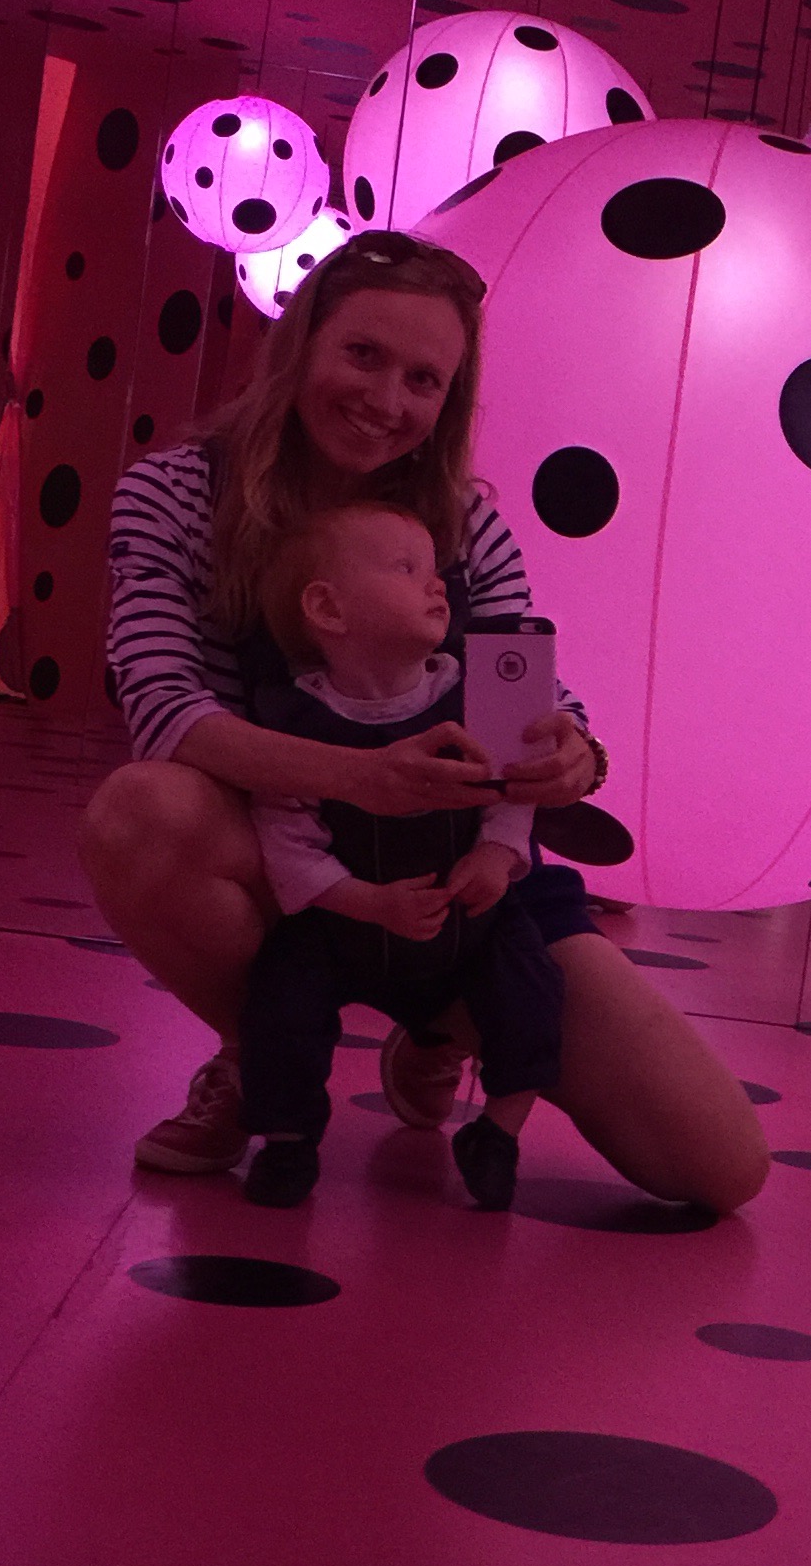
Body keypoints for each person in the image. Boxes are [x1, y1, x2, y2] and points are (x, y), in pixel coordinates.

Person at [80, 230, 768, 1211]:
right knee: (139, 813)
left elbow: (525, 696)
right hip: (287, 870)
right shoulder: (176, 494)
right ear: (302, 346)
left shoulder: (466, 525)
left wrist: (573, 752)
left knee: (718, 1164)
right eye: (363, 354)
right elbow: (164, 710)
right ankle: (257, 1058)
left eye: (423, 380)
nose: (386, 399)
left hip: (460, 890)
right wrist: (362, 779)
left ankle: (437, 1026)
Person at [235, 502, 566, 1213]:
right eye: (406, 569)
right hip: (344, 921)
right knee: (282, 1002)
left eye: (435, 569)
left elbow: (513, 789)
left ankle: (498, 1133)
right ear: (328, 608)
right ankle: (287, 1138)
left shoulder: (474, 693)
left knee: (533, 988)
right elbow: (288, 842)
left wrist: (496, 856)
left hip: (467, 921)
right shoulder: (295, 719)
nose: (439, 584)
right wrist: (366, 902)